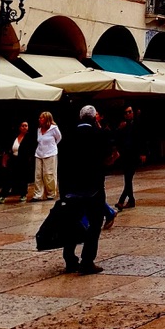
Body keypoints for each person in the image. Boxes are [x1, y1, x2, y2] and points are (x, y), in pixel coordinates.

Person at [59, 104, 114, 275]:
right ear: (95, 117)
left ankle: (70, 259)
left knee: (71, 223)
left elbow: (62, 163)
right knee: (95, 223)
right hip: (93, 187)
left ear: (80, 117)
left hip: (71, 188)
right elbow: (108, 159)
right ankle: (87, 261)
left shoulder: (67, 135)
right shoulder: (100, 134)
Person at [114, 105, 145, 210]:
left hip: (134, 155)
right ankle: (131, 201)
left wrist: (143, 153)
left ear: (133, 112)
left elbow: (142, 139)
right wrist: (119, 129)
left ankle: (121, 201)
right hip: (125, 155)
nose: (128, 114)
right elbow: (117, 138)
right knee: (128, 179)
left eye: (130, 112)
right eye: (126, 113)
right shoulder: (123, 125)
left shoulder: (138, 124)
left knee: (128, 178)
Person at [0, 121, 35, 203]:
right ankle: (2, 196)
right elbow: (9, 148)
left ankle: (23, 195)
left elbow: (31, 150)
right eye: (22, 126)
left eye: (26, 126)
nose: (24, 127)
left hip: (24, 161)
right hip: (13, 159)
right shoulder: (15, 137)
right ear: (19, 127)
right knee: (8, 178)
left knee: (23, 178)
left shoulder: (29, 138)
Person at [31, 112, 62, 201]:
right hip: (39, 153)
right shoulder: (39, 129)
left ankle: (51, 193)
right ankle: (38, 194)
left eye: (42, 118)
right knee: (38, 175)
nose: (40, 119)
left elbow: (59, 138)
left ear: (47, 119)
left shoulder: (54, 128)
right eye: (40, 118)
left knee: (49, 174)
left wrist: (53, 146)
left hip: (50, 153)